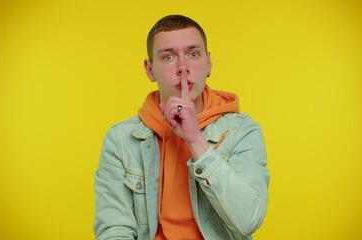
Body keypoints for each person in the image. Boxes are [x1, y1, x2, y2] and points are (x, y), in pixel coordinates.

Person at [94, 14, 270, 240]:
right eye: (168, 57)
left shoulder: (242, 131)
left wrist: (196, 141)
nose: (183, 68)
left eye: (193, 54)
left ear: (208, 64)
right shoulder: (120, 139)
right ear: (149, 70)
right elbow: (114, 231)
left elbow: (248, 221)